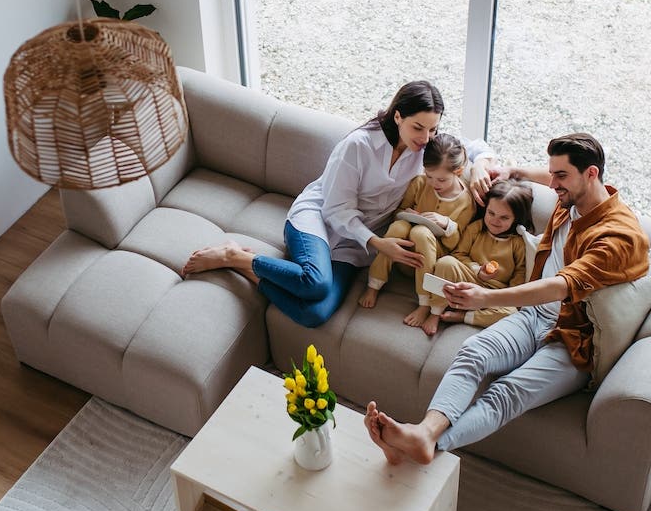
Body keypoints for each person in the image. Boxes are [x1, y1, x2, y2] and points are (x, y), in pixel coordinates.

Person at [363, 133, 649, 465]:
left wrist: (486, 297)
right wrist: (515, 172)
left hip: (572, 340)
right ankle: (423, 433)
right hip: (534, 317)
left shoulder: (618, 236)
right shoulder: (575, 196)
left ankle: (429, 444)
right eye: (551, 173)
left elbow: (561, 286)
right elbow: (550, 178)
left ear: (592, 174)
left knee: (506, 393)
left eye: (561, 176)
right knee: (472, 352)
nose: (553, 184)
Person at [182, 81, 493, 328]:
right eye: (418, 128)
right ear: (398, 116)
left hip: (355, 245)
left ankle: (245, 266)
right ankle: (234, 255)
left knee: (314, 314)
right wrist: (380, 244)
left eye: (433, 129)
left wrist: (480, 165)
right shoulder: (358, 146)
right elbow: (335, 210)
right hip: (318, 220)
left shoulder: (424, 150)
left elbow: (475, 147)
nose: (427, 137)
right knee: (315, 283)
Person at [359, 133, 475, 337]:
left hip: (430, 264)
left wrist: (447, 224)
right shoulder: (420, 183)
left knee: (421, 232)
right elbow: (398, 212)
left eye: (441, 179)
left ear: (458, 172)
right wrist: (409, 214)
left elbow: (457, 247)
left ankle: (425, 304)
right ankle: (374, 284)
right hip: (403, 256)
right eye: (429, 176)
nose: (433, 183)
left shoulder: (466, 202)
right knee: (398, 227)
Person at [432, 179, 534, 330]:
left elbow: (519, 276)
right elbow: (459, 254)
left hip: (492, 294)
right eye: (491, 213)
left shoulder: (518, 243)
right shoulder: (476, 228)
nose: (494, 221)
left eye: (504, 218)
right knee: (446, 262)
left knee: (511, 312)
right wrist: (477, 270)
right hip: (469, 279)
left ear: (516, 218)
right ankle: (435, 312)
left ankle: (464, 316)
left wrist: (507, 297)